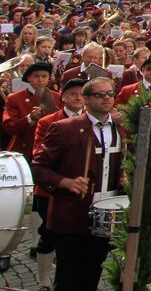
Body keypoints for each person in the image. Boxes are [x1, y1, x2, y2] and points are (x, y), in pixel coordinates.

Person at [32, 77, 125, 291]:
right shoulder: (64, 128)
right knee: (67, 277)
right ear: (86, 99)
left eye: (110, 94)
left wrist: (125, 176)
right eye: (99, 94)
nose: (106, 98)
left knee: (92, 273)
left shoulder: (121, 127)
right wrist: (65, 181)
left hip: (107, 214)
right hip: (73, 214)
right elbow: (38, 168)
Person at [30, 76, 86, 289]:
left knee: (78, 240)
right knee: (48, 236)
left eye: (81, 94)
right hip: (52, 191)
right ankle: (44, 281)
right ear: (63, 98)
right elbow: (39, 155)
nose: (78, 98)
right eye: (73, 94)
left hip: (83, 191)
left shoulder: (93, 119)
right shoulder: (48, 121)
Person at [4, 61, 61, 158]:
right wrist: (30, 118)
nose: (40, 80)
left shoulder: (57, 97)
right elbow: (9, 127)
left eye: (44, 76)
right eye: (36, 76)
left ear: (49, 78)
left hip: (50, 150)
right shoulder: (14, 98)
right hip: (23, 151)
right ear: (29, 78)